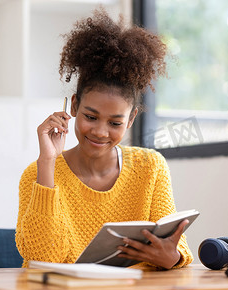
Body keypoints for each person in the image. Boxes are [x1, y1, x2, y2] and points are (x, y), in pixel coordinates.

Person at [15, 8, 193, 270]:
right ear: (73, 106)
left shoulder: (150, 168)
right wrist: (47, 164)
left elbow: (175, 247)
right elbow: (42, 257)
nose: (100, 131)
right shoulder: (37, 174)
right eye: (91, 116)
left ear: (130, 120)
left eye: (115, 123)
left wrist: (172, 258)